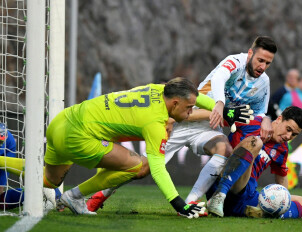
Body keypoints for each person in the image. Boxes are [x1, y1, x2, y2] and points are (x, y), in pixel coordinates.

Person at [86, 36, 278, 211]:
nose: (262, 66)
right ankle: (98, 196)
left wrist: (267, 119)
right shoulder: (235, 62)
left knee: (224, 150)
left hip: (208, 126)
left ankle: (191, 202)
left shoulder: (263, 83)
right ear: (250, 53)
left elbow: (261, 111)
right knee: (141, 169)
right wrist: (219, 104)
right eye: (260, 60)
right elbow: (219, 77)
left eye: (268, 63)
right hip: (184, 117)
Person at [0, 78, 213, 218]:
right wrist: (179, 205)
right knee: (139, 167)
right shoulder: (154, 124)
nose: (191, 111)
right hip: (78, 136)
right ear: (175, 104)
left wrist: (224, 111)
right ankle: (75, 196)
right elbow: (158, 169)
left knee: (48, 179)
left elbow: (195, 96)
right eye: (189, 108)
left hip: (62, 121)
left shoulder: (158, 89)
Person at [207, 106, 302, 219]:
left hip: (246, 197)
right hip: (223, 185)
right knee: (256, 142)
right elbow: (217, 116)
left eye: (294, 134)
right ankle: (219, 195)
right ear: (279, 119)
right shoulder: (252, 122)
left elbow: (282, 181)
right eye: (288, 129)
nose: (288, 136)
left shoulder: (282, 149)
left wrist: (281, 203)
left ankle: (268, 214)